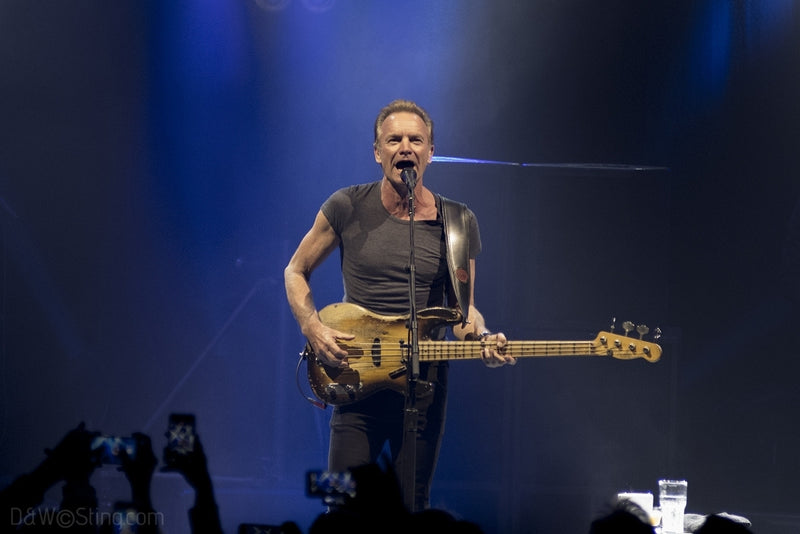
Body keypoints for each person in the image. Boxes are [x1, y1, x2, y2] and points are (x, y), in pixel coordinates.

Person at [284, 99, 515, 511]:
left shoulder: (458, 222)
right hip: (355, 379)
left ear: (430, 151)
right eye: (394, 139)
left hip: (423, 385)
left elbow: (463, 314)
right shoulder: (346, 205)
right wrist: (313, 328)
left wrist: (481, 338)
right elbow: (295, 270)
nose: (405, 147)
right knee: (343, 504)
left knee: (412, 505)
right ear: (377, 152)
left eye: (416, 140)